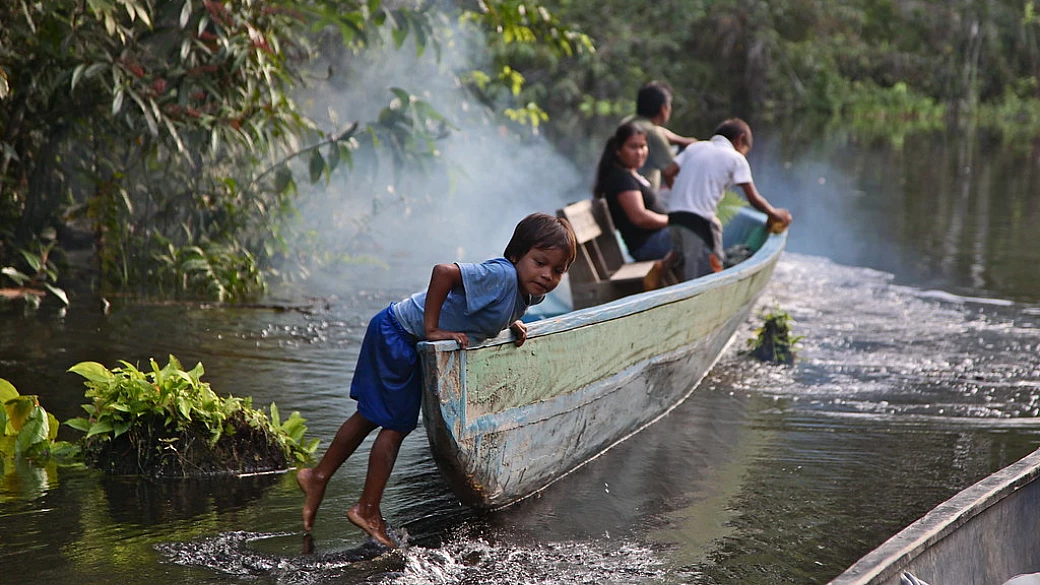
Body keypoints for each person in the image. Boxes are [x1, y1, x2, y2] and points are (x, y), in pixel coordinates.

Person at [296, 213, 577, 547]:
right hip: (398, 334)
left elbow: (482, 310)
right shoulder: (502, 274)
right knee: (396, 426)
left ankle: (318, 476)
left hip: (400, 335)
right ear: (516, 255)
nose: (547, 275)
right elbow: (443, 273)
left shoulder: (527, 292)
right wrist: (432, 329)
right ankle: (366, 509)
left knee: (371, 416)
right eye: (540, 262)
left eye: (557, 270)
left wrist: (508, 325)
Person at [664, 117, 792, 281]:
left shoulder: (694, 148)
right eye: (746, 149)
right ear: (740, 139)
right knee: (713, 270)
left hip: (674, 216)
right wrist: (774, 213)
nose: (744, 154)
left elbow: (668, 173)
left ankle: (664, 271)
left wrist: (681, 196)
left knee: (683, 264)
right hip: (699, 222)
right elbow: (752, 198)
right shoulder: (735, 158)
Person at [593, 121, 672, 262]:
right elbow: (640, 217)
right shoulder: (620, 179)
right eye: (633, 147)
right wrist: (672, 220)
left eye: (643, 146)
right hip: (647, 246)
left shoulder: (629, 174)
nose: (639, 152)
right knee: (694, 230)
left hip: (656, 239)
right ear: (618, 150)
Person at [622, 81, 697, 190]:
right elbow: (669, 171)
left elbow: (658, 131)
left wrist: (680, 140)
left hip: (623, 188)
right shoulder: (652, 132)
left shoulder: (628, 122)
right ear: (664, 108)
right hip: (643, 194)